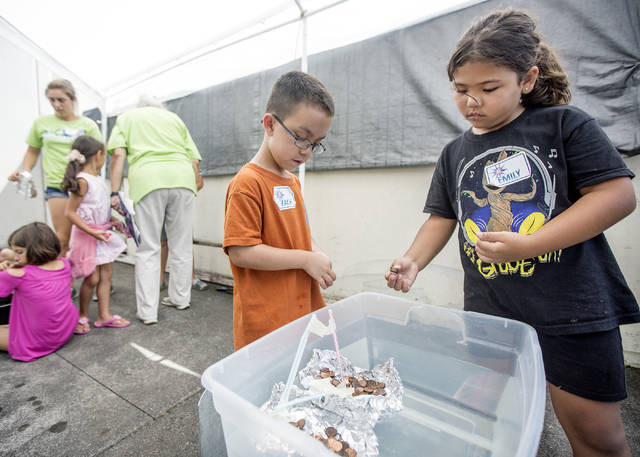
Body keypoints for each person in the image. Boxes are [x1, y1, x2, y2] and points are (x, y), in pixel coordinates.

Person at [385, 9, 638, 457]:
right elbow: (443, 217)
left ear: (526, 79)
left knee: (598, 439)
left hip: (572, 313)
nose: (471, 102)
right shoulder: (455, 152)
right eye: (461, 91)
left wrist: (533, 242)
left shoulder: (565, 125)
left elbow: (615, 195)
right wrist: (413, 259)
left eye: (488, 89)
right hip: (494, 312)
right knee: (502, 423)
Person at [223, 71, 337, 350]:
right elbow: (241, 251)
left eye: (316, 143)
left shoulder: (292, 182)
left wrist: (315, 252)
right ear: (270, 124)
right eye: (301, 137)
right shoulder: (247, 183)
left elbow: (298, 233)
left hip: (299, 313)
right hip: (267, 321)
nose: (307, 151)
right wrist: (304, 259)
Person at [108, 95, 202, 325]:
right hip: (182, 179)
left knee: (148, 247)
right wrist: (194, 181)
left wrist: (114, 191)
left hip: (148, 180)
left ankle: (148, 312)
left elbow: (119, 154)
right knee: (181, 244)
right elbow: (194, 160)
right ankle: (181, 299)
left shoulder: (127, 118)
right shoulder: (174, 119)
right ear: (160, 107)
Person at [7, 79, 102, 257]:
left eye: (61, 100)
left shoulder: (87, 125)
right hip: (57, 185)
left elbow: (99, 155)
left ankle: (94, 280)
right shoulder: (41, 123)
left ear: (73, 99)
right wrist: (25, 172)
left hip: (81, 186)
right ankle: (64, 283)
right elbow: (32, 151)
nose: (56, 104)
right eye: (51, 100)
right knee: (62, 238)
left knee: (86, 237)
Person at [62, 136, 130, 334]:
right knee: (91, 278)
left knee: (106, 275)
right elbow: (70, 212)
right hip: (87, 237)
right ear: (98, 155)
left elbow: (99, 206)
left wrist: (113, 219)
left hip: (102, 234)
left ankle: (104, 315)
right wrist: (93, 231)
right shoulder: (83, 181)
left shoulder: (99, 180)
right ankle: (83, 315)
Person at [0, 222, 78, 362]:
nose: (16, 257)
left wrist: (3, 270)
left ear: (36, 250)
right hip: (65, 329)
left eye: (19, 252)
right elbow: (39, 271)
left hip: (35, 343)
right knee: (10, 326)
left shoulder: (16, 274)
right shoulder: (64, 263)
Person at [160, 159, 208, 291]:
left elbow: (199, 183)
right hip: (160, 202)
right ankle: (160, 279)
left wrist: (182, 195)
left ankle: (191, 278)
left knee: (184, 242)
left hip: (179, 205)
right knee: (162, 242)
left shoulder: (190, 159)